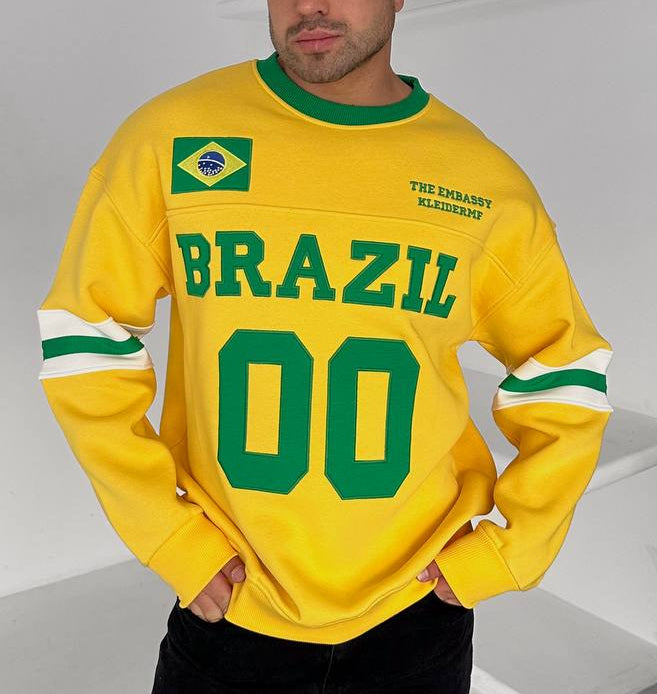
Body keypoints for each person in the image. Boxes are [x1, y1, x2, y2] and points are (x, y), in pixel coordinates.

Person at [36, 0, 614, 692]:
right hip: (229, 609)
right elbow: (84, 333)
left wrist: (512, 550)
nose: (309, 4)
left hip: (416, 615)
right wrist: (166, 532)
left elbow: (564, 370)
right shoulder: (171, 136)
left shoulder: (481, 181)